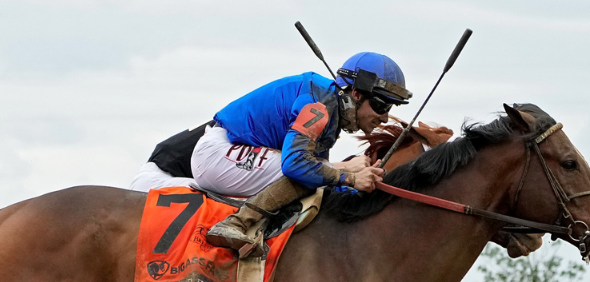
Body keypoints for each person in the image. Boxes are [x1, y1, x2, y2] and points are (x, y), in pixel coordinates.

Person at [129, 52, 411, 254]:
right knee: (305, 175)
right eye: (381, 106)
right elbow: (296, 166)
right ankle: (234, 224)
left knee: (317, 178)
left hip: (229, 153)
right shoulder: (318, 108)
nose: (384, 118)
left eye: (390, 109)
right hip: (218, 153)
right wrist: (349, 178)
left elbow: (321, 177)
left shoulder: (330, 108)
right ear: (357, 94)